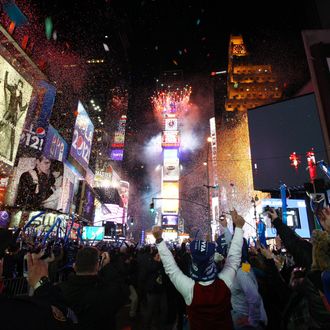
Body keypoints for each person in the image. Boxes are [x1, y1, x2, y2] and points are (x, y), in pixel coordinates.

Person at [152, 209, 245, 329]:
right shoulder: (224, 282)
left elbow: (171, 268)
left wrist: (159, 239)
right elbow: (234, 257)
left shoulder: (189, 289)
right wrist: (238, 228)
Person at [57, 247, 129, 330]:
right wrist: (107, 267)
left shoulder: (58, 291)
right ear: (98, 266)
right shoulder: (107, 293)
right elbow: (123, 291)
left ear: (75, 266)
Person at [0, 71, 29, 162]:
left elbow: (20, 107)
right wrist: (7, 75)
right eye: (20, 85)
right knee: (1, 125)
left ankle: (11, 157)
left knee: (13, 134)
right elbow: (5, 85)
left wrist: (26, 106)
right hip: (9, 111)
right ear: (17, 85)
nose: (20, 87)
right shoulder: (12, 88)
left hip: (15, 114)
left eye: (21, 86)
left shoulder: (20, 95)